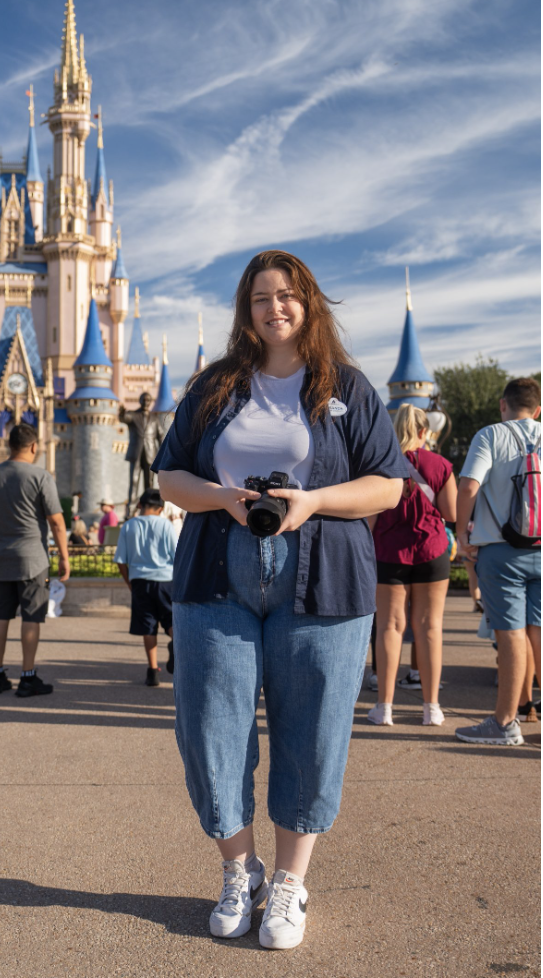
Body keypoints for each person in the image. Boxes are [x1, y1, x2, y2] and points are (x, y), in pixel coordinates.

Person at [152, 249, 407, 950]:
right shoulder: (214, 387)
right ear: (247, 311)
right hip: (215, 570)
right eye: (262, 297)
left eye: (288, 295)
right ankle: (240, 871)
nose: (275, 307)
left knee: (314, 728)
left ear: (310, 304)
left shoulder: (346, 388)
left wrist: (313, 501)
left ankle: (291, 883)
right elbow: (169, 475)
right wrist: (224, 499)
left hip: (323, 573)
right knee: (209, 726)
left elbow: (388, 485)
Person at [455, 377, 541, 745]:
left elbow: (469, 486)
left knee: (510, 636)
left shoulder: (490, 435)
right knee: (539, 632)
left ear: (502, 404)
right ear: (538, 410)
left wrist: (462, 535)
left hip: (500, 551)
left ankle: (505, 723)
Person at [368, 404, 457, 727]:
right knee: (429, 627)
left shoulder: (381, 466)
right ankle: (431, 707)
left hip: (389, 553)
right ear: (424, 431)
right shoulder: (441, 464)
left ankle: (384, 707)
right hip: (431, 551)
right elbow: (452, 513)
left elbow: (370, 518)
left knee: (390, 627)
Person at [0, 423, 70, 698]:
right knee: (31, 616)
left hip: (1, 559)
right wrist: (64, 556)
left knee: (0, 616)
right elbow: (56, 521)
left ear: (9, 445)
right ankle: (27, 677)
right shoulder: (41, 476)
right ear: (33, 446)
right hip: (32, 559)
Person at [114, 488, 178, 686]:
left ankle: (152, 671)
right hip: (166, 580)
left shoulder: (128, 526)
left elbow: (120, 560)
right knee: (171, 621)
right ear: (161, 508)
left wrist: (130, 583)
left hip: (140, 581)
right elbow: (177, 556)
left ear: (140, 505)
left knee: (147, 626)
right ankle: (176, 645)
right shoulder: (166, 525)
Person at [120, 393, 162, 514]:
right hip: (136, 453)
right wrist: (122, 413)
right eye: (144, 399)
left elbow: (160, 436)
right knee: (134, 480)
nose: (146, 401)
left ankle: (149, 507)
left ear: (150, 402)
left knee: (149, 482)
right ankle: (131, 509)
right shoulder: (133, 415)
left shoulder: (155, 418)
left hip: (150, 454)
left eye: (148, 399)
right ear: (140, 400)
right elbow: (124, 418)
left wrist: (162, 455)